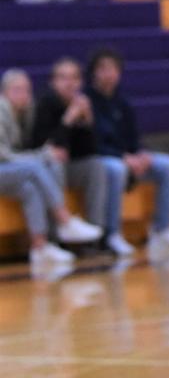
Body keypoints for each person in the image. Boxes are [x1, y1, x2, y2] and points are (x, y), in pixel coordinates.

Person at [86, 48, 169, 262]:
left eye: (112, 69)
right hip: (103, 159)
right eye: (102, 68)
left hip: (127, 157)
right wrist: (123, 157)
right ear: (94, 72)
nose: (108, 74)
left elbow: (133, 138)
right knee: (116, 168)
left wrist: (141, 154)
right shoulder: (87, 101)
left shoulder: (123, 102)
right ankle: (112, 233)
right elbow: (91, 143)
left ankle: (161, 229)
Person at [0, 69, 102, 273]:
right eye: (17, 89)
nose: (23, 94)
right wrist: (41, 155)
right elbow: (3, 155)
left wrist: (42, 154)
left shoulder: (24, 113)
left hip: (8, 173)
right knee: (35, 166)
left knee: (30, 188)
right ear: (4, 92)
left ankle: (40, 247)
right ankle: (64, 219)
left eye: (26, 90)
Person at [31, 57, 107, 241]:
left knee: (97, 165)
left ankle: (95, 233)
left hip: (71, 167)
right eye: (63, 77)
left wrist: (87, 122)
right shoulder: (45, 103)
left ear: (80, 81)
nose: (69, 83)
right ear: (53, 82)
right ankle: (57, 236)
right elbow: (43, 144)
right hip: (48, 167)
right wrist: (68, 120)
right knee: (54, 164)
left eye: (74, 77)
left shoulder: (82, 104)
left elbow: (91, 150)